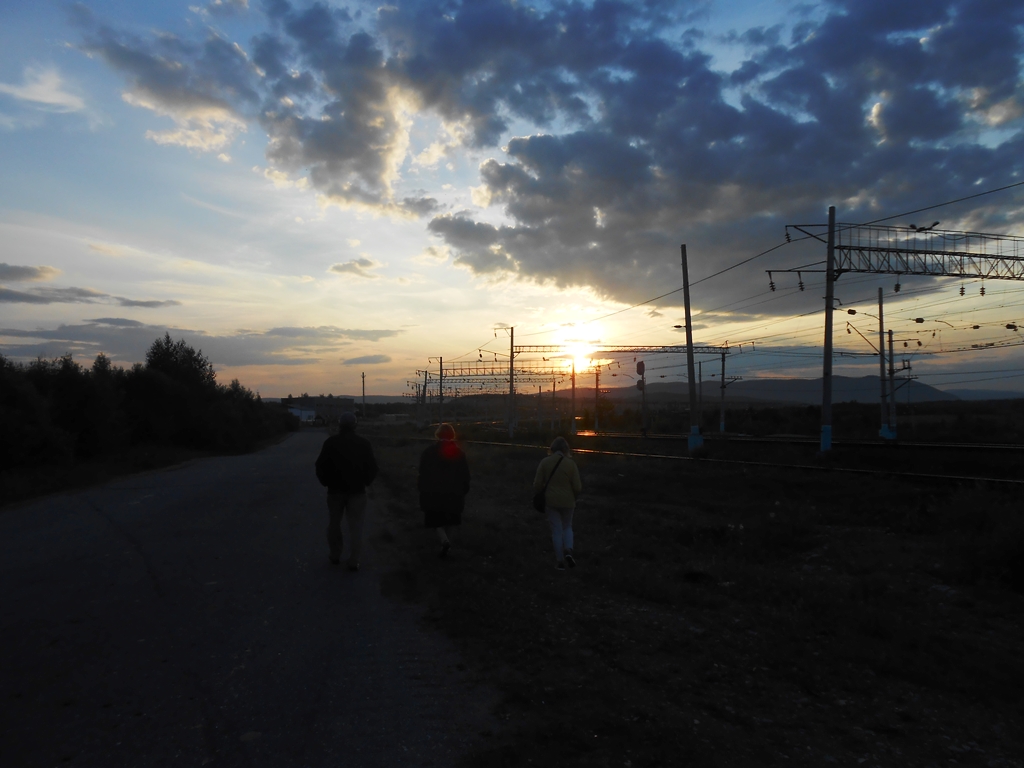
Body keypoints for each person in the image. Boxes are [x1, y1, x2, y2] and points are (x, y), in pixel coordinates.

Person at [314, 411, 378, 571]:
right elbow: (373, 467)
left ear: (340, 425)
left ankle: (335, 555)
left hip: (334, 492)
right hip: (357, 492)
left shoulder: (330, 443)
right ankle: (354, 560)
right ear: (355, 425)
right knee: (356, 526)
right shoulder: (364, 443)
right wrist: (366, 482)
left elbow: (319, 466)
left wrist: (326, 482)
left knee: (334, 524)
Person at [418, 423, 470, 558]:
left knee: (435, 519)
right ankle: (447, 546)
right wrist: (464, 490)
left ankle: (444, 540)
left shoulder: (428, 452)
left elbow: (422, 473)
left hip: (433, 492)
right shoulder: (460, 453)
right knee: (452, 519)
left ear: (438, 434)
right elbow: (465, 475)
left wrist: (422, 489)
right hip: (455, 493)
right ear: (451, 435)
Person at [533, 436, 582, 570]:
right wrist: (573, 497)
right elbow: (578, 487)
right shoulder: (571, 464)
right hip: (568, 502)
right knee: (567, 527)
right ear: (566, 449)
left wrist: (542, 491)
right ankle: (569, 550)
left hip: (550, 502)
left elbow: (537, 485)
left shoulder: (545, 462)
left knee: (556, 530)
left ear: (552, 449)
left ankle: (560, 562)